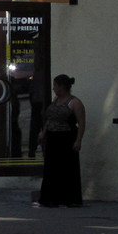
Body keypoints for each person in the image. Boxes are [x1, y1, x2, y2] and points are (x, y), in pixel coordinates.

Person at [35, 73, 86, 207]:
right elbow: (50, 119)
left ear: (62, 87)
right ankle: (50, 199)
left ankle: (69, 199)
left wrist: (78, 140)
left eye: (55, 86)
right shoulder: (55, 101)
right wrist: (43, 133)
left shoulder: (74, 102)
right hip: (53, 137)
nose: (53, 89)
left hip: (67, 138)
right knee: (51, 169)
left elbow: (81, 123)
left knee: (67, 169)